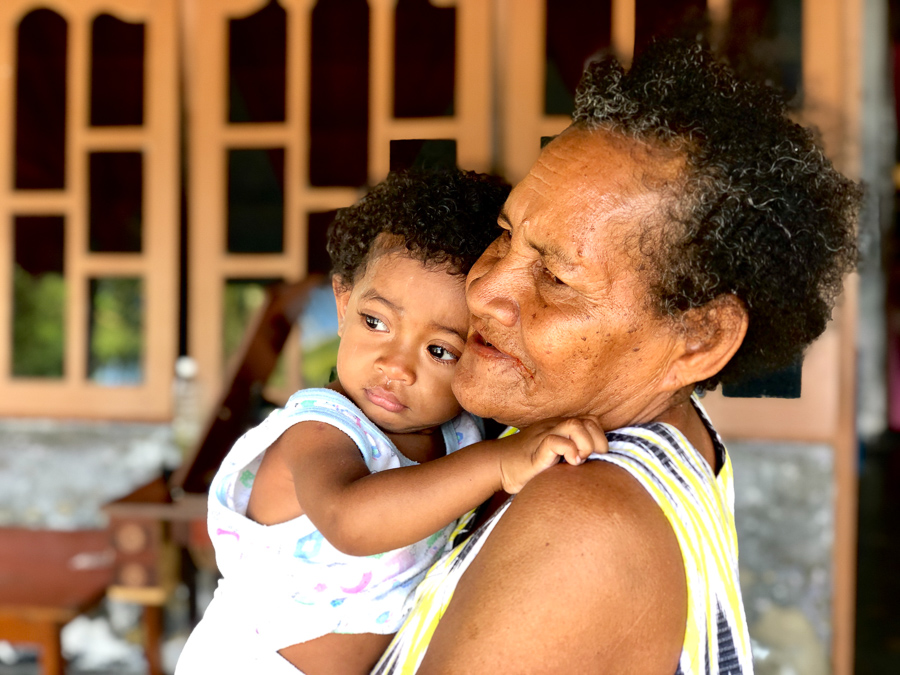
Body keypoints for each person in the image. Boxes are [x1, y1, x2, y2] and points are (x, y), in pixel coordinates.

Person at [372, 39, 860, 674]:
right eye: (504, 235)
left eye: (556, 279)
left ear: (700, 338)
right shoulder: (656, 447)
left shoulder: (584, 523)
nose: (486, 290)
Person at [174, 169, 606, 675]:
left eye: (440, 350)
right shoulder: (321, 428)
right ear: (342, 304)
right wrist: (500, 462)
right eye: (375, 322)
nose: (396, 367)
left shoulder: (457, 429)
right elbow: (349, 520)